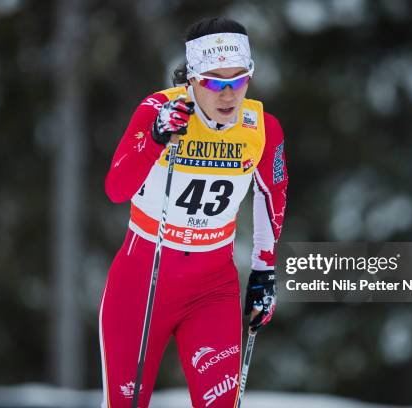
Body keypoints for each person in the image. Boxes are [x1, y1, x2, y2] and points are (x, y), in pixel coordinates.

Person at [99, 17, 288, 408]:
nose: (228, 94)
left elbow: (272, 196)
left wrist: (264, 270)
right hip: (143, 279)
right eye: (215, 82)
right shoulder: (159, 110)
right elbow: (116, 189)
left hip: (212, 288)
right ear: (191, 79)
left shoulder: (261, 129)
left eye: (239, 80)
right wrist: (155, 137)